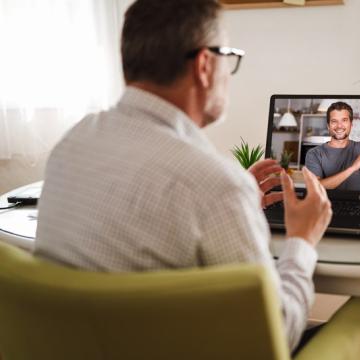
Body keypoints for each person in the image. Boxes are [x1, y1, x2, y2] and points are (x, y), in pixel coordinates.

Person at [34, 0, 332, 352]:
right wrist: (302, 240)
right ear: (205, 64)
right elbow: (274, 334)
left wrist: (238, 201)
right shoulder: (215, 186)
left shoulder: (72, 143)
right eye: (230, 57)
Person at [305, 101, 360, 191]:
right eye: (334, 121)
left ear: (351, 124)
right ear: (328, 126)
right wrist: (352, 168)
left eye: (344, 120)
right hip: (326, 205)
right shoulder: (314, 153)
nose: (339, 126)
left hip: (357, 205)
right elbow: (315, 188)